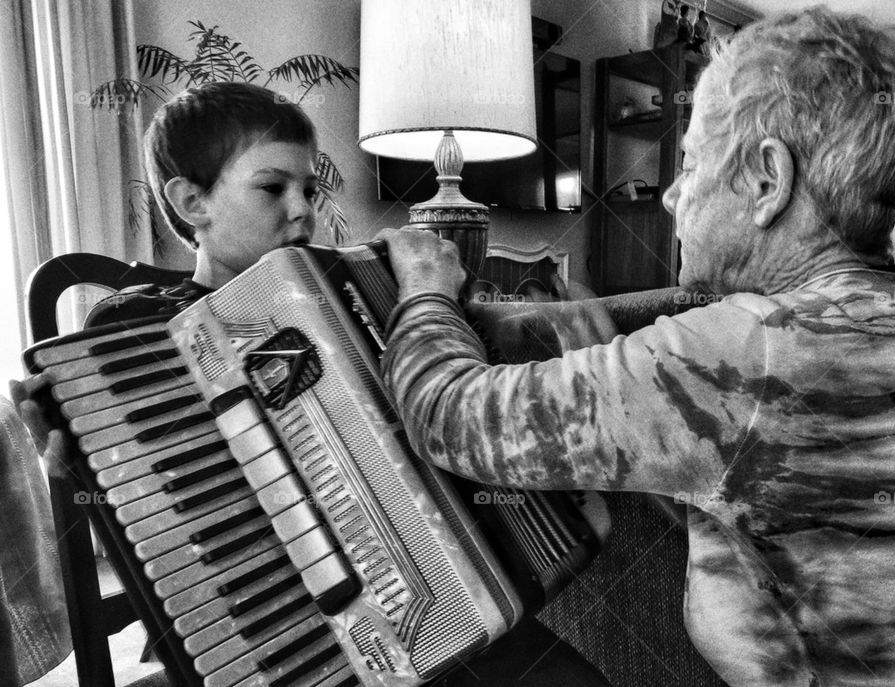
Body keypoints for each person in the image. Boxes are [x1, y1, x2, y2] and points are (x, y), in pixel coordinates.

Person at [380, 8, 895, 687]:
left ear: (767, 181)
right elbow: (692, 312)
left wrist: (424, 290)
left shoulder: (749, 354)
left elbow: (446, 414)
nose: (672, 196)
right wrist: (520, 322)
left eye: (690, 164)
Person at [12, 81, 610, 687]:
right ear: (193, 202)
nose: (302, 209)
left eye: (309, 189)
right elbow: (148, 509)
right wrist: (86, 458)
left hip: (450, 608)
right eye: (272, 188)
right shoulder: (138, 336)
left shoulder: (365, 293)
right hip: (279, 631)